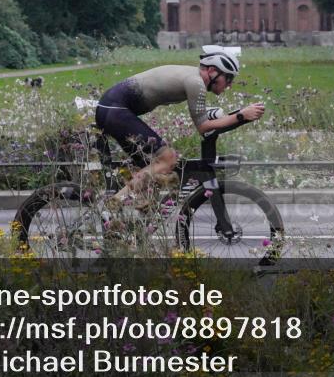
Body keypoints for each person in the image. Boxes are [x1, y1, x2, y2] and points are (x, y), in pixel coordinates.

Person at [95, 45, 264, 237]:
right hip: (115, 110)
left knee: (155, 173)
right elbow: (203, 126)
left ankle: (132, 230)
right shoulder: (196, 82)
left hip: (111, 108)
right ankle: (113, 206)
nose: (230, 85)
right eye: (229, 78)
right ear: (212, 71)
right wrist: (241, 115)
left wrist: (232, 117)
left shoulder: (193, 78)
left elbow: (205, 119)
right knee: (168, 160)